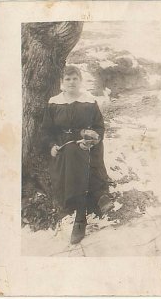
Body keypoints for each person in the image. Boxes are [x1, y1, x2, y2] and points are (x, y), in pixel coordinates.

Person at [39, 65, 113, 244]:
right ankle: (96, 198)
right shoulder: (54, 102)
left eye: (75, 78)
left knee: (79, 151)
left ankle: (81, 217)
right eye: (68, 79)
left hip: (87, 145)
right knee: (72, 151)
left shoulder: (89, 101)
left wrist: (92, 139)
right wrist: (51, 146)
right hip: (64, 147)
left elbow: (99, 127)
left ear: (80, 81)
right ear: (62, 83)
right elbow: (46, 131)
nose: (71, 82)